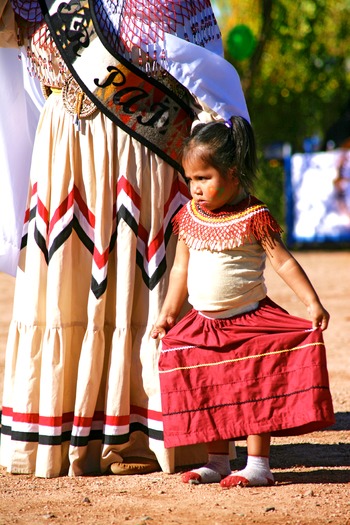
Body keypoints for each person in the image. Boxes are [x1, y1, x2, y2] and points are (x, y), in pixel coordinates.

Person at [0, 0, 249, 477]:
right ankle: (69, 420)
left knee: (149, 287)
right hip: (66, 147)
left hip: (145, 153)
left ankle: (143, 431)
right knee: (72, 286)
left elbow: (203, 69)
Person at [151, 117, 335, 487]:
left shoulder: (256, 216)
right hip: (203, 324)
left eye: (205, 178)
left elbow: (283, 261)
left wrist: (312, 303)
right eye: (191, 180)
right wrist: (169, 314)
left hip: (251, 321)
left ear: (233, 174)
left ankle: (257, 465)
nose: (196, 188)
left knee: (255, 386)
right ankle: (217, 461)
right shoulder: (189, 217)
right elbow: (181, 271)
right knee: (210, 386)